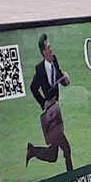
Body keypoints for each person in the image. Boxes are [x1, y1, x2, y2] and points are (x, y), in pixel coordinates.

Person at [26, 33, 73, 172]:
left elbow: (59, 79)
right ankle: (72, 176)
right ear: (43, 52)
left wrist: (65, 80)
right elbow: (33, 88)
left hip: (56, 111)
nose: (51, 49)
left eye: (50, 46)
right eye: (48, 47)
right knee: (66, 149)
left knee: (54, 154)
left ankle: (32, 150)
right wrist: (43, 102)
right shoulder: (39, 69)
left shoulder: (55, 61)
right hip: (50, 114)